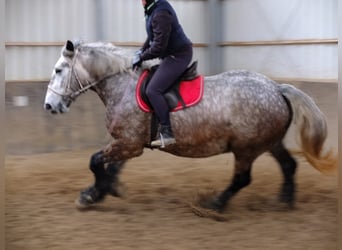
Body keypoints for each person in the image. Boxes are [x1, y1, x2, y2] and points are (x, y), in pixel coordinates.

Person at [133, 0, 193, 148]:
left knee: (153, 90)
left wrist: (142, 57)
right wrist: (141, 50)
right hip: (170, 55)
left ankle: (167, 131)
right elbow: (152, 35)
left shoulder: (161, 13)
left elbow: (159, 46)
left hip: (179, 55)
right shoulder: (153, 9)